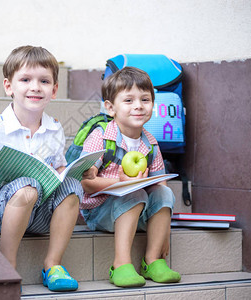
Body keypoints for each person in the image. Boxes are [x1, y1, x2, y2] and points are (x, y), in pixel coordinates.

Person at [0, 45, 89, 292]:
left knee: (72, 186)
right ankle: (7, 265)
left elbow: (58, 166)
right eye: (26, 79)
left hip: (39, 216)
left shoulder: (55, 128)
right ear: (9, 86)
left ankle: (53, 265)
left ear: (54, 89)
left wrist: (73, 170)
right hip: (0, 213)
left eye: (44, 81)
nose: (35, 87)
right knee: (28, 186)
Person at [80, 67, 181, 287]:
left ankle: (153, 261)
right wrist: (121, 183)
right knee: (133, 191)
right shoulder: (101, 137)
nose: (138, 106)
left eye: (145, 99)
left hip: (138, 210)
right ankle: (121, 264)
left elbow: (160, 185)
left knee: (164, 191)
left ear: (153, 105)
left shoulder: (150, 143)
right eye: (128, 100)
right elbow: (85, 183)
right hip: (100, 211)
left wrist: (165, 233)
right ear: (110, 107)